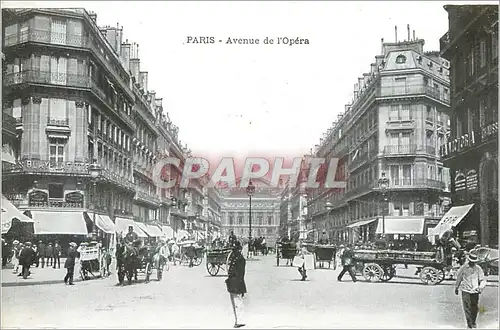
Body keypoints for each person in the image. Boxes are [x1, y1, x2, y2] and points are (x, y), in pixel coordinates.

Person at [455, 252, 487, 329]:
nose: (472, 263)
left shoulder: (478, 269)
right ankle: (469, 325)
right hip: (465, 290)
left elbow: (483, 280)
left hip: (475, 291)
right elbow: (459, 278)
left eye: (474, 261)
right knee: (467, 308)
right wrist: (456, 287)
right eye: (471, 261)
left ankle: (473, 322)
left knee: (474, 308)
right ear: (469, 260)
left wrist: (480, 287)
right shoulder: (464, 268)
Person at [225, 240, 247, 328]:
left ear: (239, 249)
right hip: (232, 283)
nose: (233, 251)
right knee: (235, 303)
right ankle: (237, 320)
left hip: (237, 284)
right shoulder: (235, 258)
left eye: (235, 249)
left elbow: (241, 274)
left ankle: (240, 321)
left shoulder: (241, 259)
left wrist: (239, 285)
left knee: (238, 303)